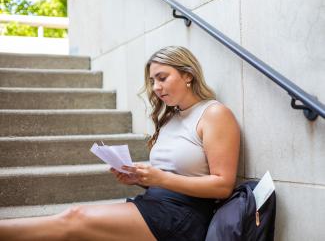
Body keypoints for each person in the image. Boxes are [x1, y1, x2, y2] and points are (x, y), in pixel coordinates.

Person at [0, 46, 240, 241]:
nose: (156, 87)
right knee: (79, 226)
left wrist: (159, 178)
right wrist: (140, 180)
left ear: (188, 75)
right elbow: (172, 176)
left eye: (162, 78)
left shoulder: (214, 114)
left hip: (184, 215)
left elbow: (222, 186)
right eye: (152, 81)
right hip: (156, 203)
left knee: (75, 218)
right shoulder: (171, 117)